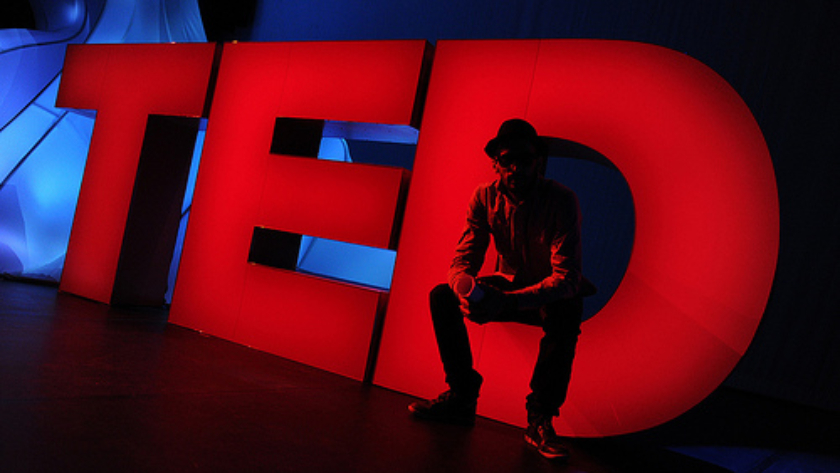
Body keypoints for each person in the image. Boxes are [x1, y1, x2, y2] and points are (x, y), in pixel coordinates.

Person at [408, 118, 593, 460]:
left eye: (524, 159)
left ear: (537, 161)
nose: (515, 168)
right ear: (495, 163)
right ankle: (462, 395)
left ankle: (540, 419)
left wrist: (504, 300)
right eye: (507, 160)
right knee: (441, 296)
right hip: (507, 289)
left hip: (544, 295)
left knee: (568, 309)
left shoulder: (562, 200)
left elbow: (566, 278)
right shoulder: (484, 196)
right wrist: (466, 291)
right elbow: (462, 259)